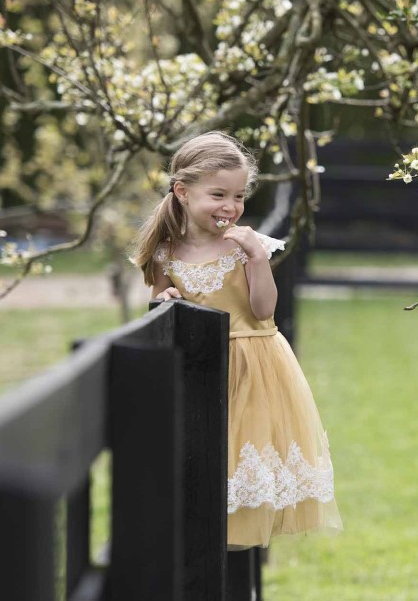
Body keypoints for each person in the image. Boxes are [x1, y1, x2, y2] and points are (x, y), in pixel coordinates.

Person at [131, 131, 342, 549]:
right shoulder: (165, 253)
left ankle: (230, 552)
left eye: (239, 196)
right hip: (201, 370)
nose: (230, 207)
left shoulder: (248, 247)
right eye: (218, 195)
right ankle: (201, 542)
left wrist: (258, 258)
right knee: (202, 456)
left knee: (245, 454)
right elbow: (158, 302)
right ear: (183, 192)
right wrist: (165, 297)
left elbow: (264, 309)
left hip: (255, 364)